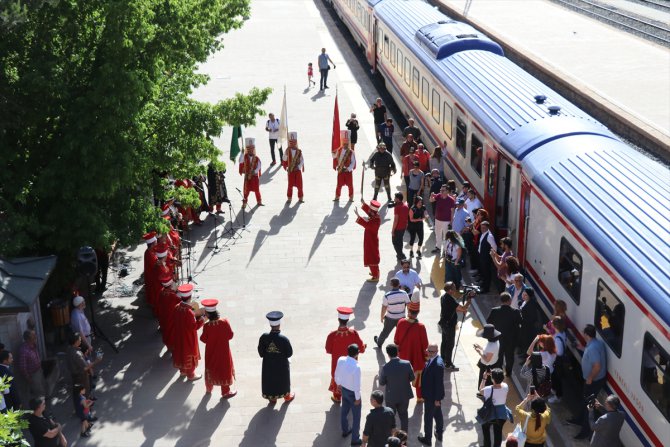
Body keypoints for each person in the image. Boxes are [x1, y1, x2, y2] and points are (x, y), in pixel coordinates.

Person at [570, 324, 607, 440]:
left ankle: (585, 431)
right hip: (595, 379)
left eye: (583, 332)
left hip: (593, 381)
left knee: (588, 406)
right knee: (584, 400)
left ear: (586, 334)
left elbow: (597, 366)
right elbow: (591, 353)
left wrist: (590, 378)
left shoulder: (592, 348)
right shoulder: (596, 343)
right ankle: (578, 420)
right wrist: (580, 347)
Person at [326, 307, 366, 403]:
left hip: (337, 363)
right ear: (348, 320)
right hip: (352, 364)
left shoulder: (332, 335)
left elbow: (328, 350)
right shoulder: (353, 333)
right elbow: (361, 349)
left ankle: (337, 396)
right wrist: (364, 346)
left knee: (337, 377)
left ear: (338, 319)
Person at [200, 299, 236, 399]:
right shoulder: (225, 322)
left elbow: (203, 339)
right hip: (224, 351)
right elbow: (230, 335)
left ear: (207, 314)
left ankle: (209, 388)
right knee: (224, 369)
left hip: (211, 352)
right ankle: (225, 392)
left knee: (210, 368)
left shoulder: (207, 326)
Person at [258, 311, 295, 403]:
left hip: (268, 365)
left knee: (270, 380)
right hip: (281, 365)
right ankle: (286, 396)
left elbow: (261, 353)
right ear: (279, 325)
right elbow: (289, 353)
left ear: (270, 325)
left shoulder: (264, 337)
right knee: (283, 379)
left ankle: (272, 398)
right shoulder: (284, 339)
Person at [394, 302, 428, 401]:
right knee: (419, 377)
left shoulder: (401, 322)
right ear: (418, 312)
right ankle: (419, 397)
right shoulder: (421, 326)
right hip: (417, 357)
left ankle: (403, 396)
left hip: (403, 355)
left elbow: (396, 340)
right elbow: (425, 344)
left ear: (408, 311)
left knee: (403, 378)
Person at [171, 283, 205, 381]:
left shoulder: (177, 307)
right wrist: (202, 319)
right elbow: (194, 327)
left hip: (178, 335)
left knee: (181, 352)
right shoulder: (189, 312)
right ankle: (191, 374)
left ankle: (182, 371)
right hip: (188, 337)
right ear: (190, 297)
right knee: (188, 353)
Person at [379, 343, 414, 432]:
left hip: (391, 397)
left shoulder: (385, 367)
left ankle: (391, 438)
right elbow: (412, 378)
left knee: (390, 418)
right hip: (404, 395)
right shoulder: (407, 364)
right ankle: (404, 438)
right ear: (398, 352)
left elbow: (382, 382)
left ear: (388, 354)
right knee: (404, 416)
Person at [486, 292, 522, 376]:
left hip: (498, 338)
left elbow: (488, 322)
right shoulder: (515, 311)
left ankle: (499, 372)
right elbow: (520, 322)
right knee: (509, 356)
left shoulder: (494, 311)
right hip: (511, 339)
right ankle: (508, 373)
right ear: (509, 300)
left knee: (499, 355)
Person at [438, 282, 471, 371]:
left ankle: (443, 359)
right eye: (454, 288)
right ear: (450, 290)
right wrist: (469, 300)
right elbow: (463, 308)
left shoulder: (444, 297)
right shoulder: (450, 300)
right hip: (449, 325)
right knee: (450, 344)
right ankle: (448, 364)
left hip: (444, 323)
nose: (455, 289)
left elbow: (454, 308)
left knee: (444, 342)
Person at [334, 344, 363, 445]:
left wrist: (338, 384)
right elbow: (357, 385)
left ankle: (345, 431)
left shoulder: (341, 359)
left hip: (344, 390)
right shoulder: (357, 367)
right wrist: (358, 398)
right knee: (356, 417)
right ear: (357, 354)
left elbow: (336, 374)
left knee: (344, 411)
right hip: (353, 393)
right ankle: (355, 439)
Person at [478, 368, 513, 447]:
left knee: (486, 430)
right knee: (498, 432)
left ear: (492, 379)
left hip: (489, 414)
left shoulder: (487, 389)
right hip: (502, 414)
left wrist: (484, 378)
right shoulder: (505, 386)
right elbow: (500, 382)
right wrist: (494, 376)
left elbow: (480, 390)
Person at [417, 343, 445, 446]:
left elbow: (438, 384)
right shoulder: (433, 359)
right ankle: (439, 433)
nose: (428, 352)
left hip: (432, 397)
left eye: (431, 351)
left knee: (428, 418)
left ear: (436, 352)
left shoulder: (437, 365)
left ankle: (427, 439)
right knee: (437, 414)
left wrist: (437, 399)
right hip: (432, 395)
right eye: (428, 350)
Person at [374, 278, 410, 349]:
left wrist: (381, 317)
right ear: (399, 284)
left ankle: (379, 343)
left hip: (390, 318)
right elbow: (408, 304)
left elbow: (384, 307)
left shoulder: (387, 295)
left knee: (385, 333)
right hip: (402, 318)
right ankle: (404, 345)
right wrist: (408, 315)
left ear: (391, 284)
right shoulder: (404, 293)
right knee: (403, 333)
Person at [355, 200, 382, 281]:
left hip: (371, 241)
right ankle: (376, 272)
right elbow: (369, 212)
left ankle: (375, 276)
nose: (369, 211)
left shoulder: (375, 221)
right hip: (370, 239)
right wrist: (364, 204)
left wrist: (358, 216)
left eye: (370, 210)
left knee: (371, 257)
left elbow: (367, 225)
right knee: (370, 255)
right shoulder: (375, 216)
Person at [66, 332, 99, 398]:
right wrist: (97, 361)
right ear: (76, 341)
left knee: (79, 393)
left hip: (75, 376)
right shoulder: (77, 354)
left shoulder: (69, 349)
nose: (81, 339)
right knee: (84, 393)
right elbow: (85, 367)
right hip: (81, 377)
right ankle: (87, 405)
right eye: (79, 338)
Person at [17, 330, 46, 398]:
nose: (36, 336)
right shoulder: (23, 351)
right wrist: (28, 378)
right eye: (33, 335)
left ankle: (44, 403)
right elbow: (22, 367)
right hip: (33, 375)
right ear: (28, 339)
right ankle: (41, 407)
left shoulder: (33, 345)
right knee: (39, 392)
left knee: (43, 387)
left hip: (39, 370)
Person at [429, 185, 455, 255]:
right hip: (437, 219)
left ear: (447, 191)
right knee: (438, 234)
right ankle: (438, 247)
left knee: (446, 236)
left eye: (443, 190)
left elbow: (452, 211)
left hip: (446, 221)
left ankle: (445, 250)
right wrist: (431, 196)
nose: (441, 192)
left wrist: (451, 221)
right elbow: (431, 200)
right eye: (440, 190)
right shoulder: (438, 196)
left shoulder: (451, 200)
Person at [157, 273, 180, 352]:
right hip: (171, 317)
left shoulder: (161, 291)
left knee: (166, 332)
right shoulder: (172, 295)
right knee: (171, 333)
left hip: (163, 316)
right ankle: (172, 349)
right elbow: (180, 301)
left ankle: (168, 347)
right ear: (170, 285)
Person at [238, 137, 263, 208]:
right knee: (246, 191)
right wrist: (242, 153)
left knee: (257, 190)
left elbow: (259, 166)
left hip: (254, 177)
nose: (251, 150)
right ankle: (244, 203)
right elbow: (240, 161)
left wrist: (254, 171)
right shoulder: (244, 157)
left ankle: (259, 201)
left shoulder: (257, 158)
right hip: (247, 177)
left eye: (252, 149)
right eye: (249, 149)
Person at [548, 317, 567, 403]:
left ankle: (558, 396)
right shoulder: (562, 333)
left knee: (556, 378)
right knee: (556, 377)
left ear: (555, 326)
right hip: (560, 361)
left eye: (552, 323)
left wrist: (552, 350)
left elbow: (559, 352)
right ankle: (556, 392)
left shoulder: (558, 339)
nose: (551, 324)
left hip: (558, 361)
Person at [282, 131, 305, 204]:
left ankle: (300, 198)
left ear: (296, 142)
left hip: (297, 171)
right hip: (290, 171)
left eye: (294, 142)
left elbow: (302, 160)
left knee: (300, 185)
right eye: (291, 142)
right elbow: (284, 159)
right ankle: (289, 198)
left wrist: (298, 167)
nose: (292, 143)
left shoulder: (299, 151)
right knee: (290, 185)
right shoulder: (287, 151)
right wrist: (285, 154)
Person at [333, 132, 356, 201]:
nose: (345, 145)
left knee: (350, 185)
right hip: (340, 170)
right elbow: (335, 157)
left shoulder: (351, 152)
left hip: (348, 171)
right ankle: (337, 196)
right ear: (342, 144)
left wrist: (348, 169)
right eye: (344, 144)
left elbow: (353, 162)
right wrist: (332, 151)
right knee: (339, 185)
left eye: (346, 144)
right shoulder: (339, 150)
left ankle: (351, 197)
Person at [519, 288, 544, 353]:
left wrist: (522, 320)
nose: (523, 296)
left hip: (528, 327)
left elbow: (532, 318)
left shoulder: (531, 304)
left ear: (529, 296)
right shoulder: (525, 301)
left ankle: (526, 355)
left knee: (527, 341)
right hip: (524, 325)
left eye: (526, 295)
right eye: (523, 294)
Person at [477, 221, 497, 293]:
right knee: (483, 272)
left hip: (486, 258)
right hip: (482, 256)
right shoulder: (483, 234)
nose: (482, 229)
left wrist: (490, 256)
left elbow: (494, 247)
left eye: (484, 228)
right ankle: (483, 285)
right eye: (481, 227)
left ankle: (486, 289)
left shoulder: (489, 236)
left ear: (487, 227)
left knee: (486, 273)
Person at [142, 231, 158, 311]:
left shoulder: (151, 251)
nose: (156, 243)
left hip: (152, 275)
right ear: (152, 244)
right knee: (153, 294)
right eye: (155, 242)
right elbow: (155, 265)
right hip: (152, 277)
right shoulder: (149, 253)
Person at [390, 193, 409, 261]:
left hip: (397, 228)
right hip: (403, 228)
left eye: (395, 198)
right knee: (400, 241)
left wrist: (393, 230)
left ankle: (400, 255)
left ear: (398, 199)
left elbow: (396, 220)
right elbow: (407, 218)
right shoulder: (406, 206)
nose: (394, 199)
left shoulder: (397, 207)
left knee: (394, 242)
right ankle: (400, 254)